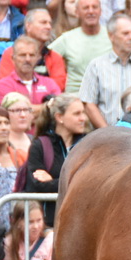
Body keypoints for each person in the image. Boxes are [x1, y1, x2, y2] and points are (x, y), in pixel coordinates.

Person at [20, 95, 87, 226]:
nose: (83, 118)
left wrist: (53, 182)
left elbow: (90, 183)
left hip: (81, 224)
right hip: (49, 226)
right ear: (59, 117)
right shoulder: (40, 145)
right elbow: (37, 185)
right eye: (77, 114)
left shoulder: (88, 143)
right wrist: (76, 182)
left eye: (83, 112)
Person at [79, 14, 131, 129]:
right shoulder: (96, 65)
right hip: (106, 137)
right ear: (111, 36)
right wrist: (108, 133)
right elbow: (88, 104)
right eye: (125, 33)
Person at [48, 0, 112, 95]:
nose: (91, 11)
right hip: (76, 99)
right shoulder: (67, 39)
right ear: (77, 12)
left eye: (94, 7)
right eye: (86, 8)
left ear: (101, 11)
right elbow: (44, 57)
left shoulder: (113, 37)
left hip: (107, 97)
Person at [0, 37, 62, 112]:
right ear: (13, 59)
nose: (28, 59)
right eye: (22, 55)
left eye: (32, 55)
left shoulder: (49, 83)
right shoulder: (4, 85)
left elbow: (58, 109)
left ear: (38, 58)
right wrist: (47, 107)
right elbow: (16, 111)